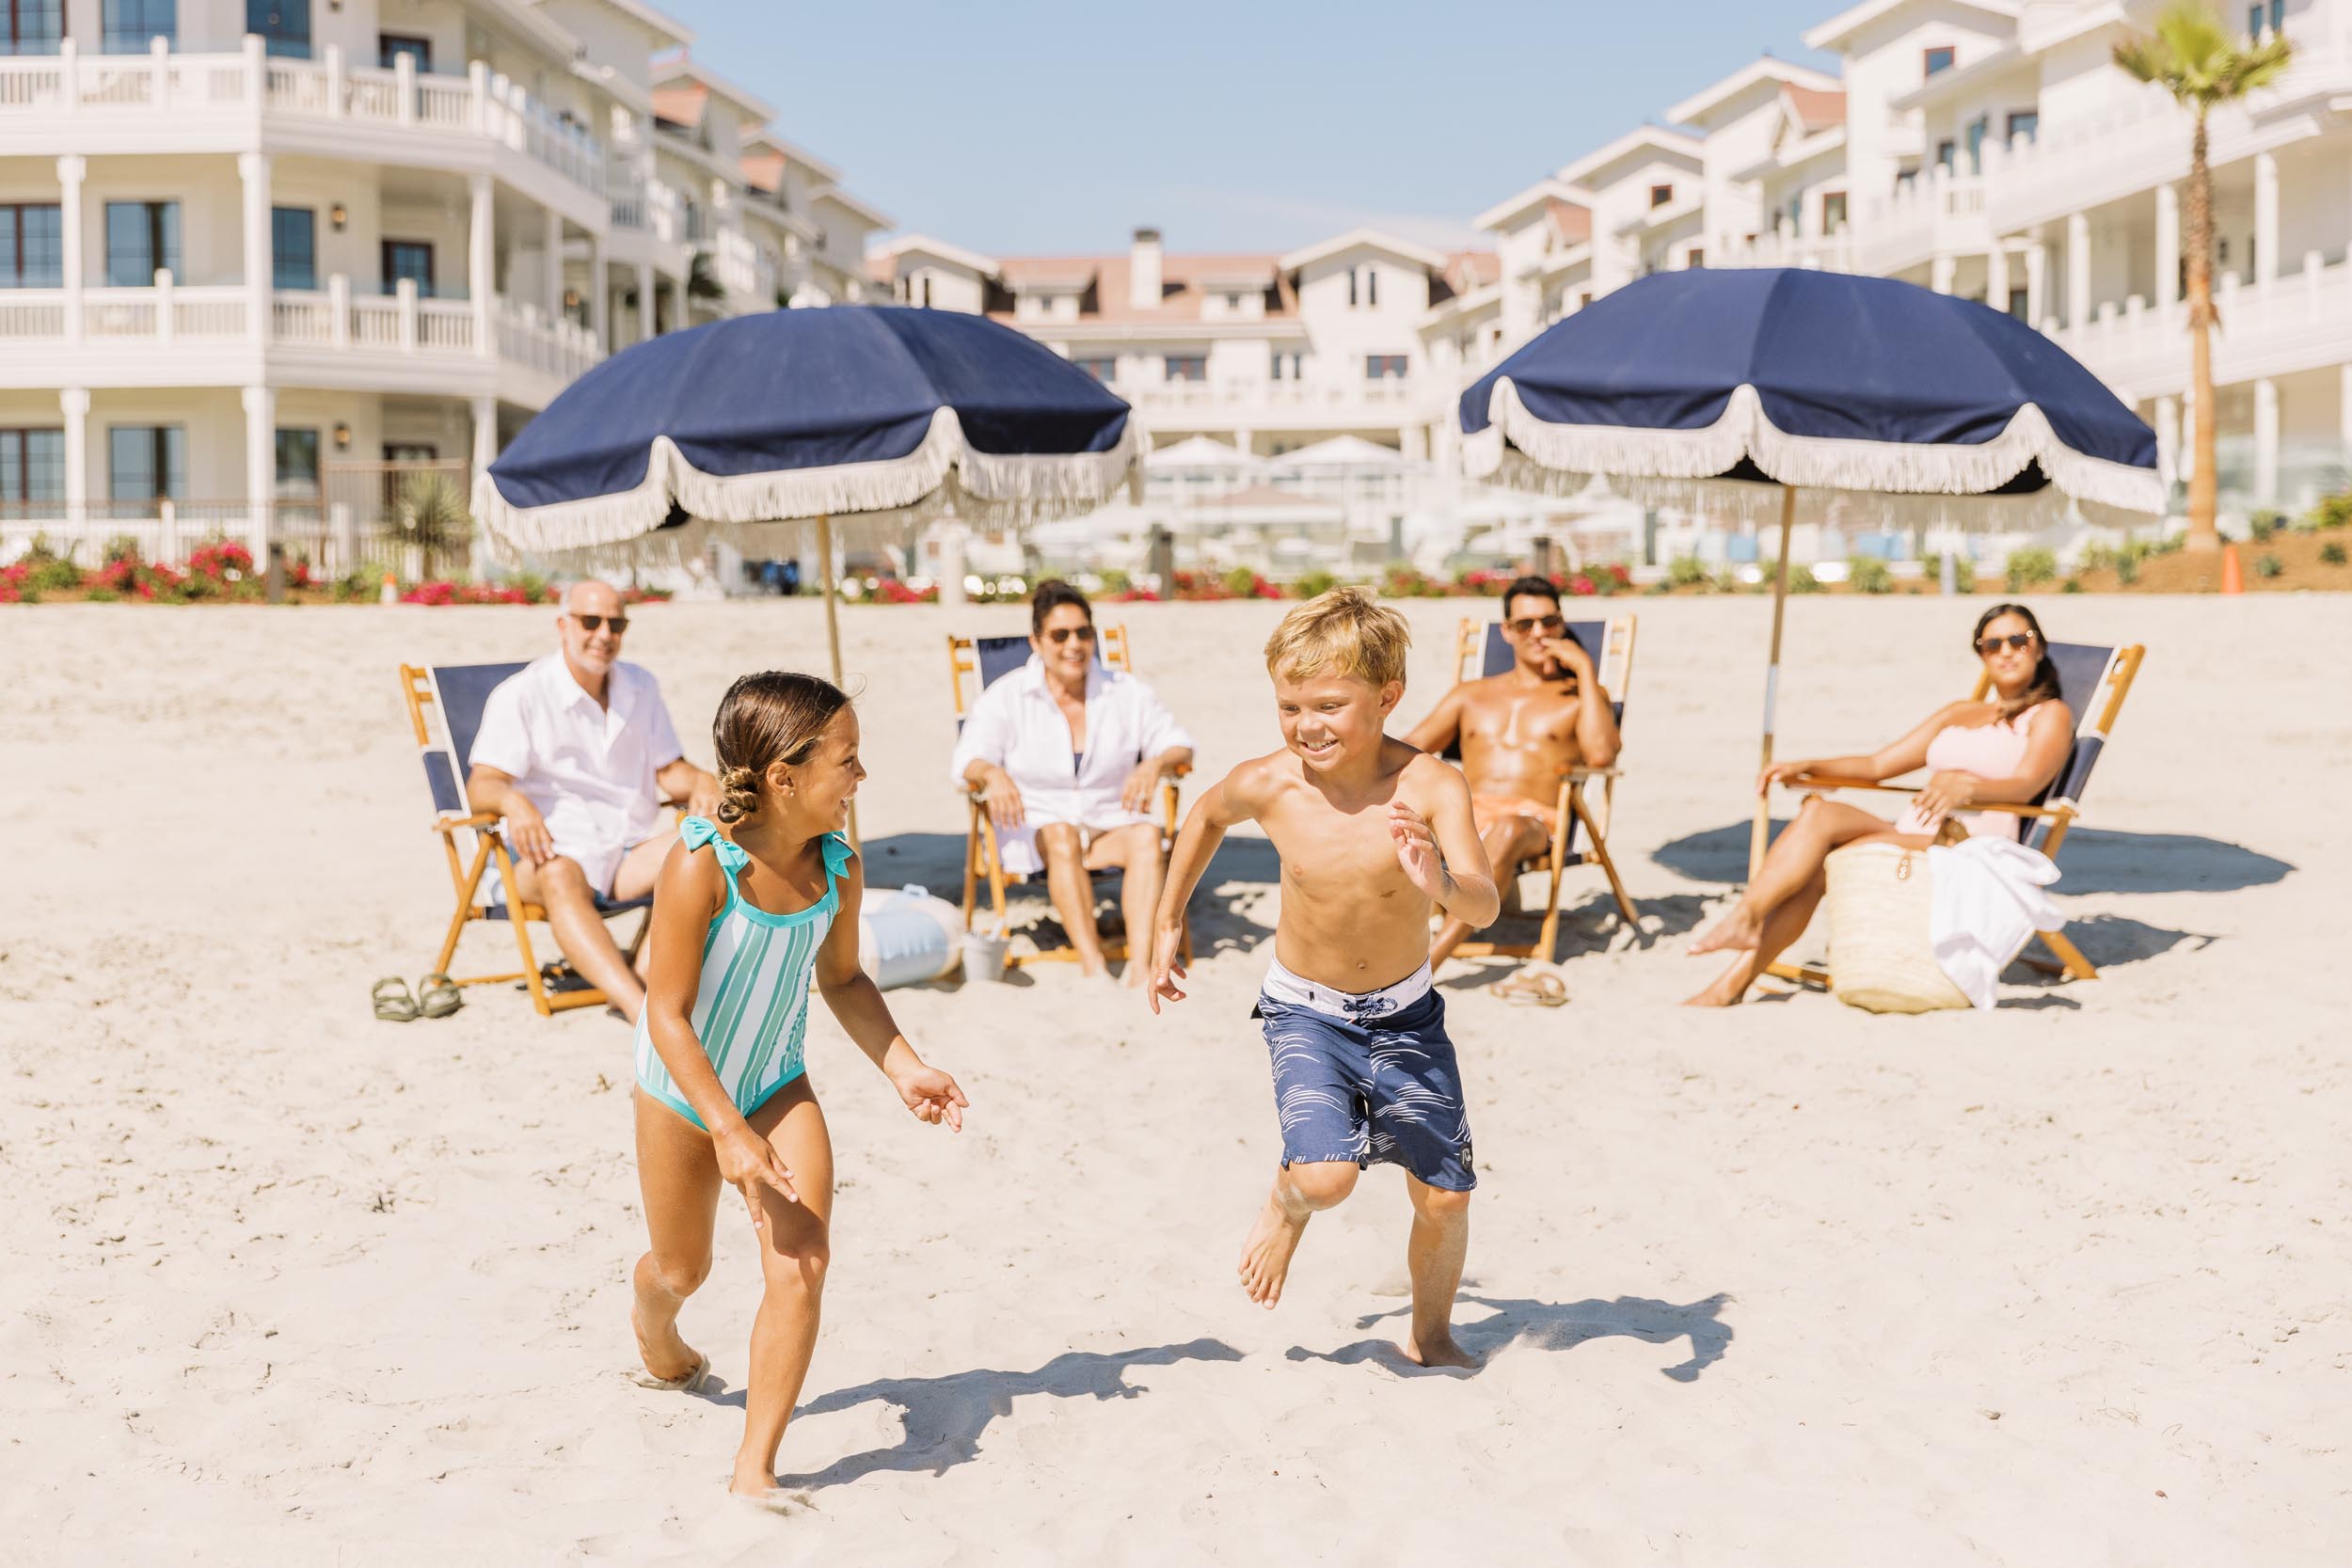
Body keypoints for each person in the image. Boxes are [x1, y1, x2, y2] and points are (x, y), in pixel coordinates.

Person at [628, 671, 969, 1503]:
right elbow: (666, 1013)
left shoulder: (839, 866)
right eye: (848, 760)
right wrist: (725, 1130)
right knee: (683, 1268)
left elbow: (845, 979)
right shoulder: (700, 865)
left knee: (801, 1262)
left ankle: (755, 1468)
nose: (862, 777)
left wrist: (903, 1064)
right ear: (783, 776)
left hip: (779, 1082)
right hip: (682, 1089)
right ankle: (653, 1327)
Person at [1147, 589, 1500, 1369]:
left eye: (1329, 705)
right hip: (1306, 1012)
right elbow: (1203, 816)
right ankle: (1285, 1202)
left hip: (1407, 1017)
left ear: (1387, 697)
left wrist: (1437, 877)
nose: (1307, 725)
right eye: (1289, 706)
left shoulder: (1432, 787)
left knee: (1444, 1194)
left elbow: (1485, 901)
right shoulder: (1272, 783)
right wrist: (1170, 916)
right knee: (1327, 1178)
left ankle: (1431, 1333)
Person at [1685, 602, 2074, 1007]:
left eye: (2018, 640)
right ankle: (1744, 931)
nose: (2006, 651)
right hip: (1914, 834)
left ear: (2039, 648)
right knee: (1818, 811)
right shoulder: (1961, 712)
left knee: (1820, 860)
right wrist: (1809, 765)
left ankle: (1734, 967)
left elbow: (2029, 783)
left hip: (1971, 846)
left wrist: (1968, 790)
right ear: (1981, 654)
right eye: (1992, 644)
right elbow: (1878, 765)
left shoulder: (2049, 714)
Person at [466, 579, 720, 1023]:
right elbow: (481, 785)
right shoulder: (523, 694)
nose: (604, 634)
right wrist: (514, 803)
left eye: (616, 624)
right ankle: (640, 1011)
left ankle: (648, 974)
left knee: (711, 841)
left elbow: (669, 770)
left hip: (625, 849)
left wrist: (703, 781)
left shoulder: (640, 686)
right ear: (562, 625)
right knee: (561, 872)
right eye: (591, 621)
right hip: (545, 856)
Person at [951, 580, 1196, 985]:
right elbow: (967, 760)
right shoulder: (1007, 696)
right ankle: (1093, 964)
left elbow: (1180, 747)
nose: (1074, 644)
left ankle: (1139, 967)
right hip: (1037, 832)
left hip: (1106, 824)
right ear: (1036, 640)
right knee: (1061, 834)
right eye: (1059, 635)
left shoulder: (1125, 692)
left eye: (1083, 632)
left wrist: (1154, 764)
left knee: (1147, 837)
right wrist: (991, 773)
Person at [1405, 576, 1621, 973]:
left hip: (1534, 821)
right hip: (1468, 814)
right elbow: (1410, 746)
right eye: (1525, 625)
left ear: (1562, 624)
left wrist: (1586, 671)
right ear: (1507, 632)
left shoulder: (1581, 695)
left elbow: (1602, 755)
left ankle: (1425, 966)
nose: (1539, 633)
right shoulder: (1471, 694)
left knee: (1507, 827)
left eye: (1549, 622)